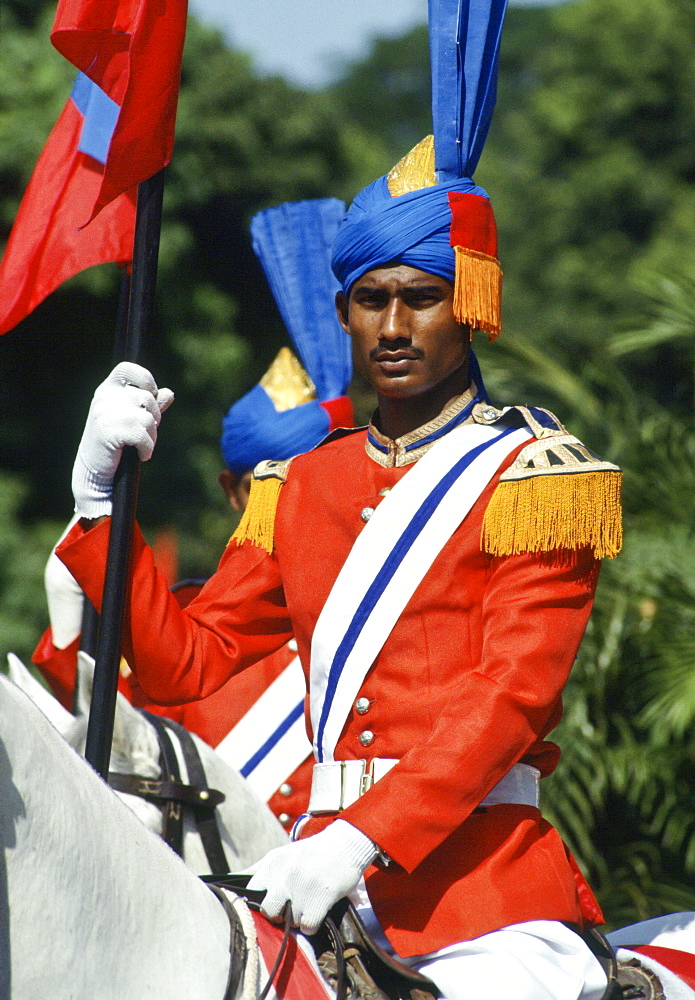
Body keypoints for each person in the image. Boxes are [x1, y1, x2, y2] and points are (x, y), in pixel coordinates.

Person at [56, 2, 623, 997]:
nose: (395, 324)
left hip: (483, 900)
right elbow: (191, 662)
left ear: (473, 302)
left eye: (423, 294)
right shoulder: (308, 483)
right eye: (372, 300)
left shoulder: (535, 475)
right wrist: (100, 505)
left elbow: (509, 699)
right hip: (307, 873)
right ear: (344, 315)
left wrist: (361, 835)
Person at [35, 198, 353, 832]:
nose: (302, 502)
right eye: (274, 486)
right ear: (233, 492)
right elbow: (100, 743)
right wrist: (70, 627)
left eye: (326, 477)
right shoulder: (190, 617)